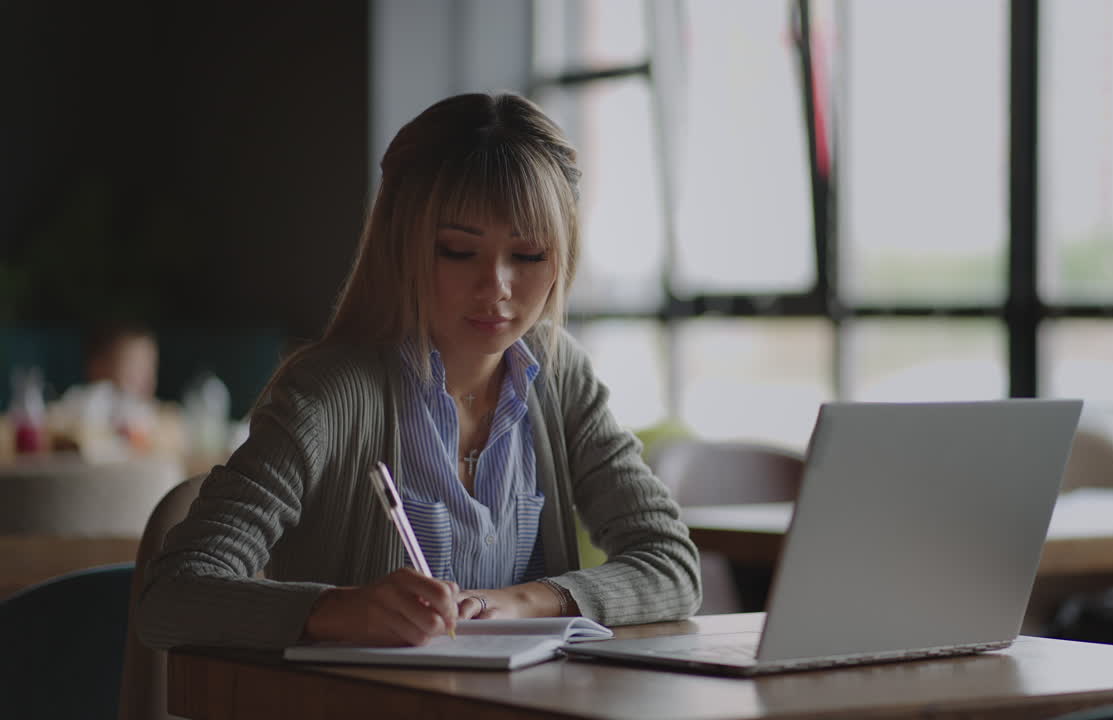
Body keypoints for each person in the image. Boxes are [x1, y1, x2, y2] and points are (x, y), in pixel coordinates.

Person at [137, 93, 702, 651]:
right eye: (458, 251)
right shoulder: (326, 395)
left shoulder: (558, 374)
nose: (497, 288)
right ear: (400, 247)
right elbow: (170, 595)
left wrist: (526, 600)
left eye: (529, 256)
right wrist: (338, 610)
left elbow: (671, 564)